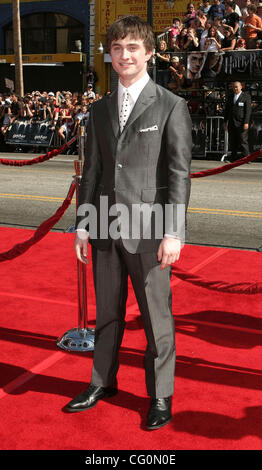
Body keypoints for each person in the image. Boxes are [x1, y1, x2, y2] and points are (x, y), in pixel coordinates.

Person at [65, 15, 192, 431]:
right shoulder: (99, 109)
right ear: (110, 54)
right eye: (117, 48)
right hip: (103, 225)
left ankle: (160, 395)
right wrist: (83, 224)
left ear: (149, 53)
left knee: (158, 319)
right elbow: (93, 171)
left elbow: (178, 173)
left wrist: (173, 231)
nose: (125, 55)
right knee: (107, 314)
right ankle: (102, 382)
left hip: (151, 230)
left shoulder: (171, 105)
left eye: (133, 47)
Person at [224, 81, 251, 162]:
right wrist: (225, 122)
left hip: (241, 122)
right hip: (232, 122)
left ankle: (246, 158)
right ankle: (233, 157)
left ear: (241, 87)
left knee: (243, 140)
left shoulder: (246, 96)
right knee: (233, 141)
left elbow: (248, 111)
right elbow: (227, 110)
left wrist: (246, 122)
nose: (235, 88)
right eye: (233, 87)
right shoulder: (230, 96)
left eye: (236, 87)